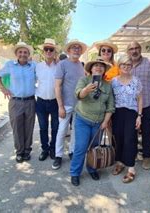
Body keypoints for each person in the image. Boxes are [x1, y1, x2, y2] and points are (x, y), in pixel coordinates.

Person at [70, 57, 115, 186]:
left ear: (104, 69)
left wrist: (105, 122)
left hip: (99, 123)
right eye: (95, 65)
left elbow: (110, 106)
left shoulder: (107, 86)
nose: (98, 67)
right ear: (91, 68)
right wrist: (85, 90)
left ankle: (92, 168)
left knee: (94, 148)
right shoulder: (84, 80)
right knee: (81, 147)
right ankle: (75, 173)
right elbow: (78, 95)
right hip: (83, 120)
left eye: (101, 66)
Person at [0, 42, 36, 163]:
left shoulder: (33, 66)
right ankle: (19, 152)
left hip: (30, 101)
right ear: (16, 54)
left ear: (28, 54)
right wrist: (3, 88)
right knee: (17, 128)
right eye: (20, 52)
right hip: (15, 102)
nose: (23, 54)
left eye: (25, 52)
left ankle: (27, 150)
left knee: (29, 127)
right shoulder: (9, 65)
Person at [53, 39, 87, 170]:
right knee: (62, 130)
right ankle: (58, 155)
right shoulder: (62, 64)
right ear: (68, 51)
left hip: (79, 105)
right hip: (65, 104)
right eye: (74, 48)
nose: (76, 50)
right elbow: (57, 86)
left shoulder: (81, 65)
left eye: (78, 48)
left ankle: (72, 151)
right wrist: (60, 106)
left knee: (75, 130)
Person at [111, 56, 142, 183]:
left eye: (129, 64)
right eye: (123, 64)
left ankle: (131, 168)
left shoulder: (136, 81)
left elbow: (140, 99)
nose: (126, 66)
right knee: (118, 138)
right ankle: (120, 162)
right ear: (119, 65)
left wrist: (139, 116)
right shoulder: (113, 81)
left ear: (132, 66)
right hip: (117, 112)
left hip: (131, 112)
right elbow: (110, 99)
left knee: (130, 139)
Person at [127, 41, 150, 170]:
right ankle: (131, 155)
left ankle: (146, 157)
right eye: (131, 49)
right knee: (131, 132)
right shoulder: (125, 65)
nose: (134, 51)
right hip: (131, 105)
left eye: (136, 48)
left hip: (148, 103)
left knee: (147, 131)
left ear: (140, 49)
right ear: (128, 52)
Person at [35, 38, 60, 161]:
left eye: (51, 49)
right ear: (43, 52)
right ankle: (44, 149)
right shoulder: (37, 66)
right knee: (43, 127)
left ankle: (53, 149)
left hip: (55, 102)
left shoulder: (60, 66)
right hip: (41, 102)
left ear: (55, 52)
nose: (49, 51)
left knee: (55, 128)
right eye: (46, 49)